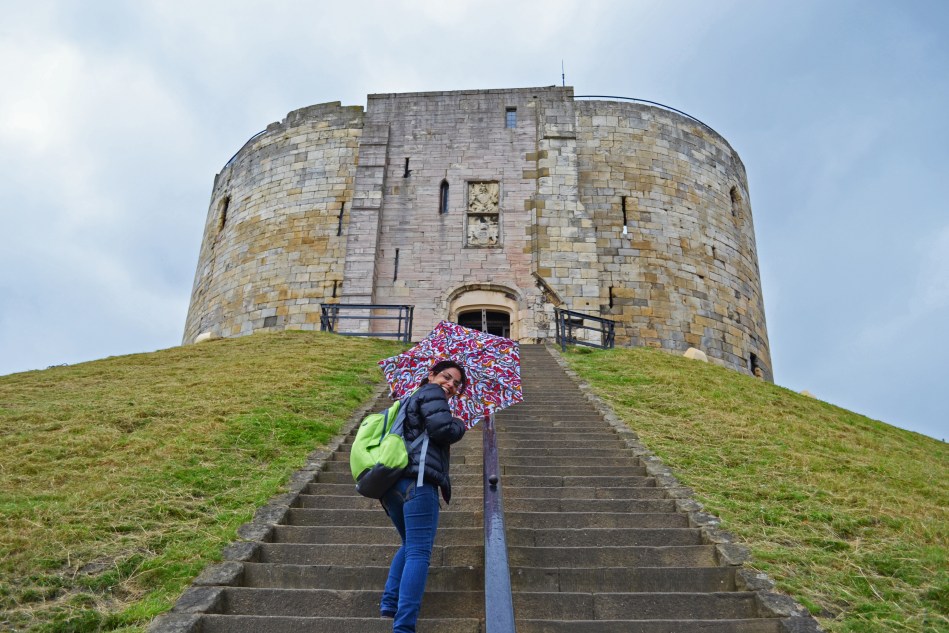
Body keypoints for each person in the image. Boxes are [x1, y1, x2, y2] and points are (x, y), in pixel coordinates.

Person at [380, 360, 467, 632]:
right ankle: (404, 626)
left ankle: (389, 602)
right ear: (431, 375)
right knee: (419, 551)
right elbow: (444, 431)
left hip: (394, 484)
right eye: (446, 376)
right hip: (418, 484)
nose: (450, 385)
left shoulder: (412, 398)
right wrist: (459, 423)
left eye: (456, 383)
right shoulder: (432, 394)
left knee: (409, 544)